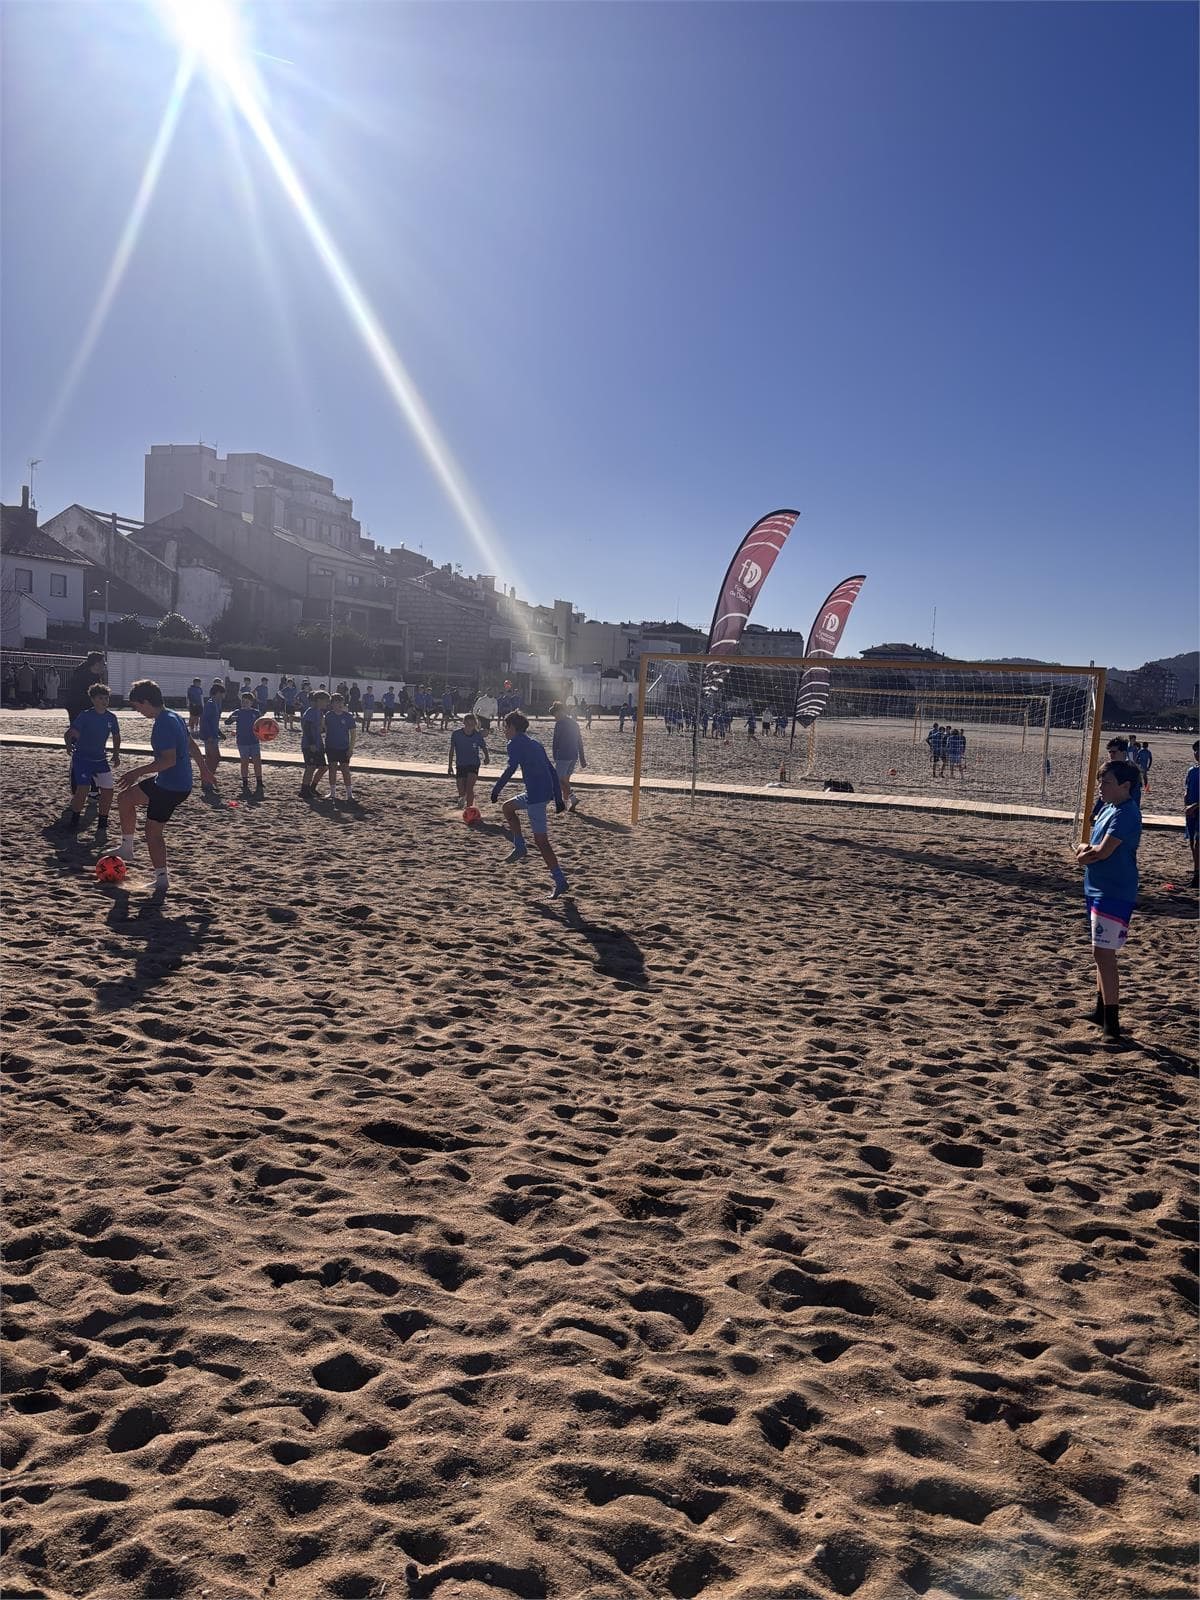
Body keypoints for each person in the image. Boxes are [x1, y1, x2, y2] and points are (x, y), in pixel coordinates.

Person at [107, 680, 211, 894]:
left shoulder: (164, 723)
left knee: (153, 833)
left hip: (171, 787)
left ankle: (161, 879)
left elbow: (168, 761)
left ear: (146, 702)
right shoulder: (173, 715)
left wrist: (136, 772)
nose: (138, 711)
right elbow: (191, 744)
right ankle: (127, 848)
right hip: (170, 782)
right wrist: (204, 770)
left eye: (137, 706)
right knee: (125, 799)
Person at [1074, 759, 1142, 1043]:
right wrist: (1084, 851)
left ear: (1125, 786)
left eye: (1107, 782)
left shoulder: (1126, 813)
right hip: (1097, 886)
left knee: (1104, 954)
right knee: (1099, 952)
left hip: (1114, 891)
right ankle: (1101, 1009)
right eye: (1101, 782)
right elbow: (1089, 845)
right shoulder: (1108, 808)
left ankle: (1112, 1023)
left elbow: (1101, 852)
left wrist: (1083, 854)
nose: (1101, 787)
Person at [490, 711, 568, 898]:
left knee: (541, 841)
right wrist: (557, 797)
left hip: (536, 796)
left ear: (513, 728)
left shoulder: (514, 744)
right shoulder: (535, 742)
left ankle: (560, 881)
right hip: (540, 791)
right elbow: (550, 769)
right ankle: (519, 846)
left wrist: (496, 789)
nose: (504, 730)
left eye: (506, 726)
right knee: (507, 808)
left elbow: (510, 768)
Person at [63, 682, 121, 838]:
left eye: (106, 698)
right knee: (83, 790)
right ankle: (74, 820)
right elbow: (69, 734)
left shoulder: (111, 717)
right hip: (82, 758)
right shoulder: (85, 716)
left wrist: (116, 754)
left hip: (100, 759)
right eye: (101, 698)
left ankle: (103, 822)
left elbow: (116, 736)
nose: (104, 701)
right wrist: (69, 746)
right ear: (93, 699)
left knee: (108, 790)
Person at [549, 700, 587, 813]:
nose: (554, 718)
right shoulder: (574, 723)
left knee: (558, 780)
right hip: (573, 755)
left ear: (559, 712)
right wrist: (582, 758)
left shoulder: (559, 724)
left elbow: (555, 742)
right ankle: (566, 804)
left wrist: (555, 755)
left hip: (563, 755)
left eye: (555, 715)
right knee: (565, 781)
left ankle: (572, 798)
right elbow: (580, 741)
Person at [225, 691, 265, 793]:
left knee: (257, 761)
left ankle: (259, 781)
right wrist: (231, 719)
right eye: (243, 701)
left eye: (247, 701)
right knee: (244, 762)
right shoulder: (237, 712)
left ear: (251, 702)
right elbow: (227, 722)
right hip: (242, 741)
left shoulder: (255, 712)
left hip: (254, 740)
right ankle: (245, 781)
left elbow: (263, 724)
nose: (244, 703)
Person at [448, 713, 490, 811]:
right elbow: (451, 750)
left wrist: (487, 757)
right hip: (460, 764)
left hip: (473, 763)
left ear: (475, 724)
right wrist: (450, 766)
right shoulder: (456, 734)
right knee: (461, 790)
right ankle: (463, 800)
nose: (469, 726)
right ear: (464, 723)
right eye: (467, 724)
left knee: (469, 787)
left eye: (472, 724)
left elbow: (484, 747)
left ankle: (469, 809)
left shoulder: (477, 735)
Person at [324, 692, 357, 802]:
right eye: (337, 702)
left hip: (344, 748)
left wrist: (351, 748)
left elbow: (353, 734)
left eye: (341, 702)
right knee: (332, 769)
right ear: (332, 704)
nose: (340, 704)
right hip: (331, 747)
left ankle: (349, 794)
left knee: (345, 770)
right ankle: (332, 793)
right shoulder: (328, 716)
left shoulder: (348, 717)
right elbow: (324, 729)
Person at [300, 691, 330, 799]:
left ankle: (312, 788)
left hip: (318, 743)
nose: (327, 703)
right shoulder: (311, 712)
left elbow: (319, 729)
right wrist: (312, 743)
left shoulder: (319, 712)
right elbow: (306, 728)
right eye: (325, 701)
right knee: (310, 767)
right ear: (319, 701)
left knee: (323, 767)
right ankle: (304, 790)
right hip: (309, 744)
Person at [198, 680, 225, 792]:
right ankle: (207, 781)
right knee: (213, 759)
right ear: (218, 693)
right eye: (222, 693)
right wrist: (208, 735)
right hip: (210, 737)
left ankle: (207, 781)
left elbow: (213, 722)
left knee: (212, 759)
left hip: (213, 735)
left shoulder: (215, 705)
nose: (223, 696)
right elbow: (204, 721)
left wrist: (219, 732)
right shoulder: (210, 704)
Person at [1185, 740, 1199, 889]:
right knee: (1192, 843)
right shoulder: (1192, 771)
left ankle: (1197, 875)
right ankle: (1196, 871)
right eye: (1195, 751)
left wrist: (1194, 806)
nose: (1197, 754)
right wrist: (1187, 805)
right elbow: (1187, 789)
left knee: (1197, 843)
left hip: (1196, 809)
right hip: (1190, 812)